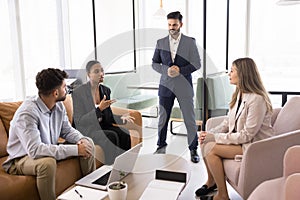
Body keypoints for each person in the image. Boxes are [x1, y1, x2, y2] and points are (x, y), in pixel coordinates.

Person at [2, 68, 96, 200]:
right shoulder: (27, 113)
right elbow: (35, 150)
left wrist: (81, 141)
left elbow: (67, 130)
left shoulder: (58, 105)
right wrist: (76, 149)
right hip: (22, 158)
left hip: (46, 148)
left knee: (87, 143)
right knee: (47, 164)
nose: (67, 89)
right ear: (55, 93)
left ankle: (90, 191)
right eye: (64, 87)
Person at [195, 58, 274, 200]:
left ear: (243, 74)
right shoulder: (239, 94)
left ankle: (223, 196)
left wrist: (215, 138)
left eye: (232, 71)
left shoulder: (257, 99)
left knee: (210, 149)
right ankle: (211, 181)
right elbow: (227, 122)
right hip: (242, 141)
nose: (229, 74)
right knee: (204, 142)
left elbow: (247, 135)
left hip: (254, 145)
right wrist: (210, 134)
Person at [152, 11, 201, 163]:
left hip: (184, 86)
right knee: (163, 118)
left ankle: (193, 150)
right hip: (166, 86)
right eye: (169, 25)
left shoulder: (190, 42)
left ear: (181, 24)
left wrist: (181, 70)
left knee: (189, 120)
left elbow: (197, 63)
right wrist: (166, 70)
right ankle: (161, 145)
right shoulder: (160, 42)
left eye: (175, 24)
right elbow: (154, 63)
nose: (172, 28)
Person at [72, 60, 134, 164]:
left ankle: (124, 166)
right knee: (111, 136)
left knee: (125, 134)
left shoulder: (106, 90)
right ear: (88, 74)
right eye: (96, 71)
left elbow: (108, 117)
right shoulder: (79, 93)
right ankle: (109, 169)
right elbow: (79, 121)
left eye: (102, 71)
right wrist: (99, 109)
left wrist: (121, 118)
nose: (101, 74)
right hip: (87, 129)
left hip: (102, 126)